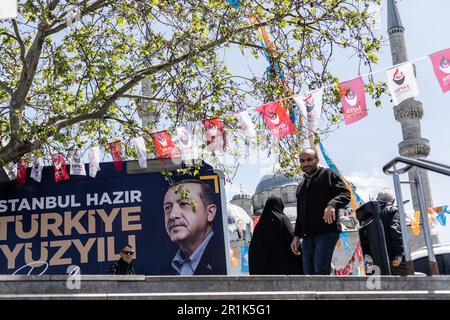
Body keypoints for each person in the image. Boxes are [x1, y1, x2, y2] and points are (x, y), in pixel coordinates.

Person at [291, 148, 351, 275]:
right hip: (307, 236)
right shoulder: (301, 186)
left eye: (309, 160)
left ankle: (326, 295)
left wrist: (332, 204)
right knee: (308, 272)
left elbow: (345, 194)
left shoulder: (328, 175)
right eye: (302, 161)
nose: (306, 164)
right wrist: (296, 236)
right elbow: (300, 213)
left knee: (321, 270)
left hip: (326, 231)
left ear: (316, 160)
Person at [161, 179, 226, 275]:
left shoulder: (225, 258)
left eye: (184, 204)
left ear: (210, 213)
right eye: (168, 207)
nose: (172, 215)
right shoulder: (166, 272)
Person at [249, 197, 303, 275]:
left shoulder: (259, 225)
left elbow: (253, 248)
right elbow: (292, 239)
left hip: (262, 273)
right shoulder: (282, 219)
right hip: (282, 271)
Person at [377, 187, 407, 275]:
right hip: (393, 259)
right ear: (393, 201)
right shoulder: (393, 211)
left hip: (376, 259)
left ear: (377, 199)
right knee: (406, 285)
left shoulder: (371, 213)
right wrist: (398, 254)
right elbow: (395, 230)